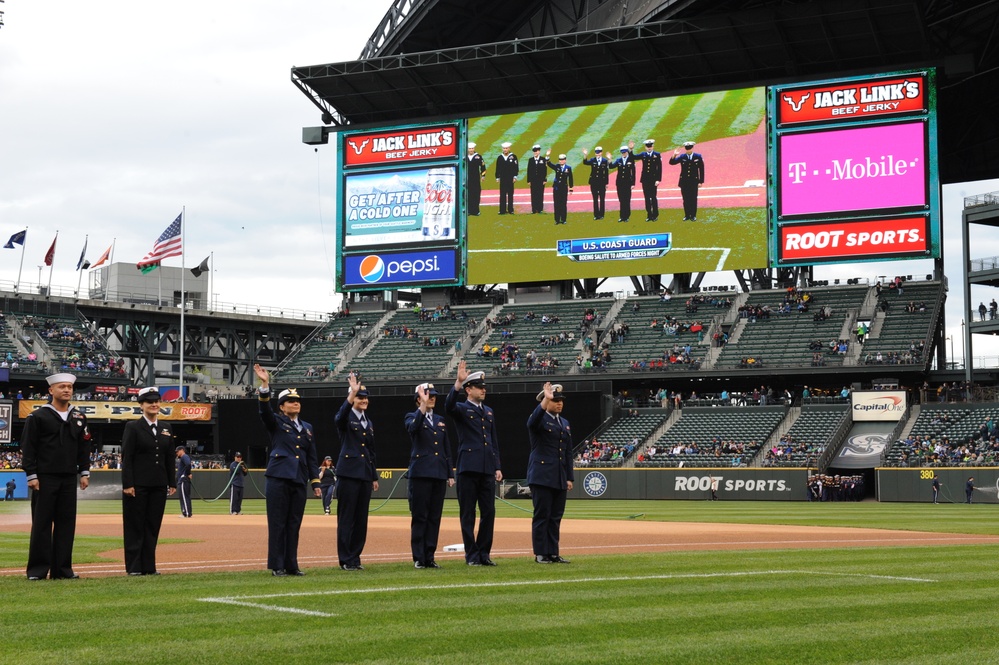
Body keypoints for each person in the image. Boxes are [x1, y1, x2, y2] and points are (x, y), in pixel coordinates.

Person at [21, 372, 91, 580]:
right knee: (42, 524)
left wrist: (84, 472)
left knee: (66, 523)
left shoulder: (78, 417)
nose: (67, 390)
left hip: (69, 477)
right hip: (44, 477)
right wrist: (31, 475)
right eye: (62, 387)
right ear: (51, 390)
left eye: (69, 387)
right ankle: (37, 570)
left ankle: (63, 569)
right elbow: (28, 447)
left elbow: (84, 445)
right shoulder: (38, 416)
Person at [253, 364, 321, 576]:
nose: (295, 404)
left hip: (299, 479)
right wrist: (265, 384)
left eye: (298, 401)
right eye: (291, 401)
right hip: (278, 477)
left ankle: (292, 564)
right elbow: (264, 411)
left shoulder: (307, 427)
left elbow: (311, 457)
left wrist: (315, 482)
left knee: (294, 523)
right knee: (277, 523)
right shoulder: (277, 422)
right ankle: (277, 565)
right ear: (282, 406)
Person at [445, 360, 502, 566]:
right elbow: (448, 406)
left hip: (486, 468)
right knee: (468, 513)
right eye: (479, 387)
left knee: (489, 513)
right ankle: (471, 554)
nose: (483, 390)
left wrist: (497, 465)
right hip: (468, 467)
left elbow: (493, 440)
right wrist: (457, 384)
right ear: (469, 390)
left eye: (484, 387)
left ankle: (484, 553)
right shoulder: (461, 408)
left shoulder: (488, 411)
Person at [121, 386, 176, 576]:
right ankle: (135, 567)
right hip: (137, 485)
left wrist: (172, 482)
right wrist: (128, 484)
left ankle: (149, 566)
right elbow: (127, 457)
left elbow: (169, 457)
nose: (154, 404)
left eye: (157, 401)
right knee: (135, 526)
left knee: (152, 525)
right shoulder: (133, 427)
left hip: (159, 485)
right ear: (141, 405)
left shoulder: (166, 428)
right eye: (149, 402)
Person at [405, 382, 455, 569]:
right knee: (420, 516)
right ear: (418, 399)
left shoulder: (440, 420)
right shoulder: (412, 416)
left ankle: (430, 556)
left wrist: (449, 472)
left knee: (434, 517)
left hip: (439, 473)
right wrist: (423, 408)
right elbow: (413, 429)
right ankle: (419, 557)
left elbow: (446, 448)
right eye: (427, 395)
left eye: (433, 395)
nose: (432, 398)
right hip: (421, 473)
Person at [333, 371, 379, 571]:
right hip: (348, 473)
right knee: (347, 518)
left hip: (364, 474)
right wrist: (351, 393)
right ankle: (345, 559)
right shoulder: (347, 418)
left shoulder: (368, 422)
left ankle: (355, 557)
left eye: (365, 397)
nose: (364, 400)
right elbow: (339, 417)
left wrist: (374, 475)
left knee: (361, 519)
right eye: (360, 397)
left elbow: (371, 451)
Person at [527, 382, 574, 564]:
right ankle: (540, 553)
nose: (560, 403)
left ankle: (553, 552)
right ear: (546, 401)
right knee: (542, 515)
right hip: (542, 475)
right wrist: (544, 401)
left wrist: (569, 477)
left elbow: (568, 452)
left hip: (559, 476)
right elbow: (531, 423)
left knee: (555, 517)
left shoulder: (564, 423)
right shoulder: (540, 419)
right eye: (555, 400)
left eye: (561, 400)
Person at [668, 140, 705, 220]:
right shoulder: (682, 157)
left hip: (694, 181)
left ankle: (693, 215)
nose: (688, 150)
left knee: (693, 198)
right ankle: (687, 215)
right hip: (684, 182)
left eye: (690, 148)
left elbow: (701, 170)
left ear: (692, 148)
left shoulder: (698, 156)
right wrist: (674, 155)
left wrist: (700, 181)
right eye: (687, 148)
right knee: (685, 199)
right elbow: (672, 162)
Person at [631, 138, 662, 221]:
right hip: (645, 180)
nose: (649, 148)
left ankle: (655, 215)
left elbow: (659, 168)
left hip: (653, 180)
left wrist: (658, 179)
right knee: (647, 198)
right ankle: (649, 215)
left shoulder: (657, 155)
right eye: (648, 146)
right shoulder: (643, 154)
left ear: (653, 146)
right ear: (645, 147)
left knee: (653, 197)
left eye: (650, 146)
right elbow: (633, 157)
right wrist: (631, 149)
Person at [545, 150, 573, 225]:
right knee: (556, 204)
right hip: (557, 188)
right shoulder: (557, 166)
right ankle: (557, 220)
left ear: (565, 160)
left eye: (562, 160)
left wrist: (571, 188)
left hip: (564, 188)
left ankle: (563, 219)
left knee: (563, 204)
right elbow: (549, 164)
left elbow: (570, 178)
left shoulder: (568, 168)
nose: (561, 161)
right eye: (560, 160)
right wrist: (547, 156)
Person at [609, 145, 636, 222]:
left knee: (627, 200)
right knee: (621, 200)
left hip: (628, 183)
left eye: (624, 152)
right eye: (622, 153)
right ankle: (622, 216)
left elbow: (633, 173)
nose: (623, 154)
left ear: (627, 152)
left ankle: (627, 216)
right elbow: (611, 166)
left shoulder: (631, 160)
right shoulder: (618, 160)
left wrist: (633, 183)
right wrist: (610, 159)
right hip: (619, 183)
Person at [581, 146, 609, 219]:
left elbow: (606, 172)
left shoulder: (605, 161)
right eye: (596, 153)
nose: (598, 154)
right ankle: (596, 215)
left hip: (602, 183)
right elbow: (585, 162)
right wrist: (585, 155)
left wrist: (606, 183)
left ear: (601, 152)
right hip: (594, 182)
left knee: (602, 199)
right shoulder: (592, 160)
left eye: (599, 152)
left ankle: (602, 215)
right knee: (595, 199)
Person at [494, 141, 519, 214]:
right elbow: (497, 168)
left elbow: (516, 167)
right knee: (502, 194)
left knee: (510, 194)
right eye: (504, 148)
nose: (505, 150)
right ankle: (502, 210)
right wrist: (497, 177)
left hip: (510, 178)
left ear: (509, 148)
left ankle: (511, 210)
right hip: (503, 178)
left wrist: (515, 176)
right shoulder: (500, 157)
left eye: (506, 148)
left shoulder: (513, 157)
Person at [525, 144, 548, 214]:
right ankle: (534, 209)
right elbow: (529, 170)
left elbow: (545, 170)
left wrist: (544, 179)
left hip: (541, 180)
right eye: (534, 151)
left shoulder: (543, 159)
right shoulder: (531, 160)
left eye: (536, 151)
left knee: (540, 194)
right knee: (533, 194)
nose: (535, 152)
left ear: (539, 151)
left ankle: (540, 208)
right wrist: (528, 180)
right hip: (533, 180)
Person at [466, 142, 486, 216]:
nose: (471, 150)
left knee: (476, 194)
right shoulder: (465, 157)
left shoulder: (478, 157)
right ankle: (469, 210)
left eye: (472, 148)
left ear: (474, 149)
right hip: (467, 178)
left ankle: (476, 210)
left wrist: (483, 176)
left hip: (476, 178)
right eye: (469, 148)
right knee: (468, 194)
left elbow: (483, 166)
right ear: (467, 149)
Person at [175, 445, 193, 518]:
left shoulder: (184, 456)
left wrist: (188, 473)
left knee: (184, 496)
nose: (177, 453)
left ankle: (186, 513)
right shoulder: (183, 458)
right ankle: (188, 512)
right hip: (184, 479)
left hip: (183, 480)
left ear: (182, 450)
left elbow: (188, 464)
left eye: (177, 451)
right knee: (185, 496)